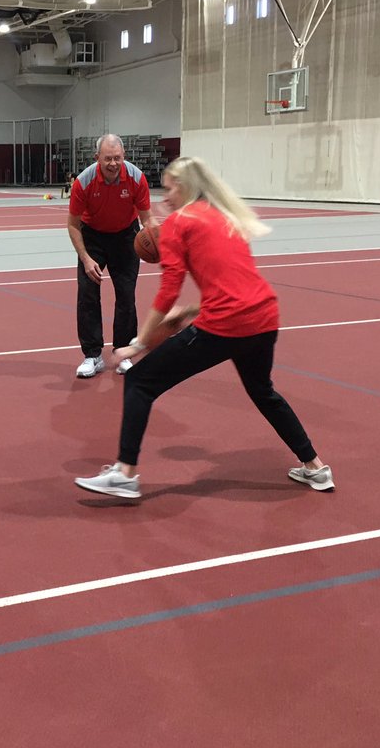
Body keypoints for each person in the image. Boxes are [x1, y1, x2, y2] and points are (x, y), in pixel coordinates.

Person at [74, 156, 334, 499]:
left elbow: (168, 291)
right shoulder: (224, 218)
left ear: (185, 187)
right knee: (262, 391)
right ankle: (316, 468)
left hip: (227, 324)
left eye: (169, 189)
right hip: (264, 317)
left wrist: (139, 344)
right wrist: (194, 310)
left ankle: (125, 473)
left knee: (139, 381)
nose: (164, 198)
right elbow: (238, 284)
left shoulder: (181, 222)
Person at [67, 134, 154, 378]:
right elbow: (73, 224)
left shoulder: (136, 177)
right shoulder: (84, 182)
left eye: (117, 158)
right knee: (87, 294)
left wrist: (153, 233)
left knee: (126, 295)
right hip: (92, 236)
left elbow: (147, 216)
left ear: (124, 156)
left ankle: (123, 351)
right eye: (108, 159)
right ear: (97, 159)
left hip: (126, 237)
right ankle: (92, 356)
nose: (113, 164)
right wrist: (85, 258)